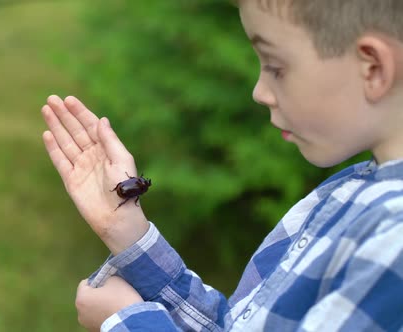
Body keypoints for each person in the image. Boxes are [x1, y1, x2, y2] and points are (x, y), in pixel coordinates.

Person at [41, 0, 403, 330]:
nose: (258, 92)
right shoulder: (347, 190)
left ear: (372, 68)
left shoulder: (392, 243)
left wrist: (128, 324)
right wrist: (129, 234)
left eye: (275, 67)